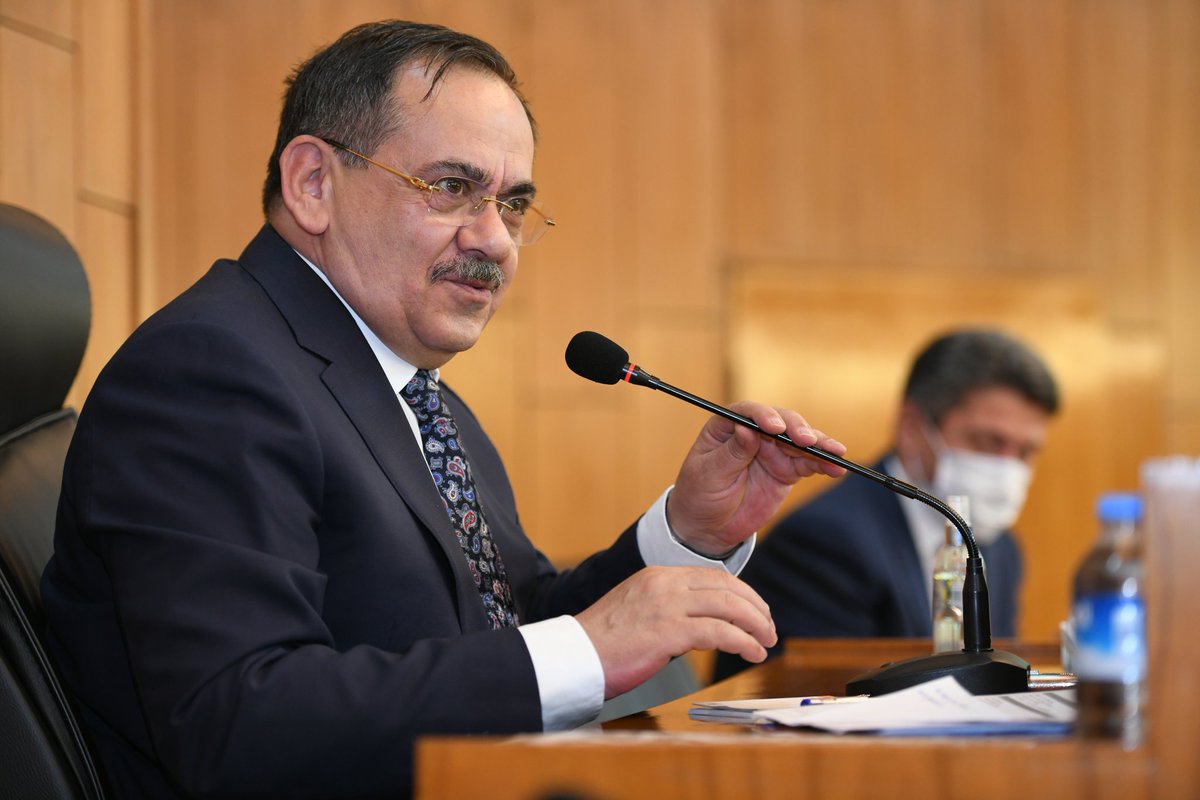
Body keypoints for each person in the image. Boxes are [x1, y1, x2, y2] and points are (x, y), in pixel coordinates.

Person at [40, 20, 846, 799]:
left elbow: (511, 629)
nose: (495, 240)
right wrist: (587, 649)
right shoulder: (210, 372)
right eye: (453, 188)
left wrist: (688, 535)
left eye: (513, 203)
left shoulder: (415, 392)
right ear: (313, 183)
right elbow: (240, 723)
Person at [713, 328, 1059, 682]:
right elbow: (826, 698)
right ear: (911, 426)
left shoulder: (1000, 546)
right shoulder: (826, 541)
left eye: (1025, 452)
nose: (1006, 468)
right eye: (987, 441)